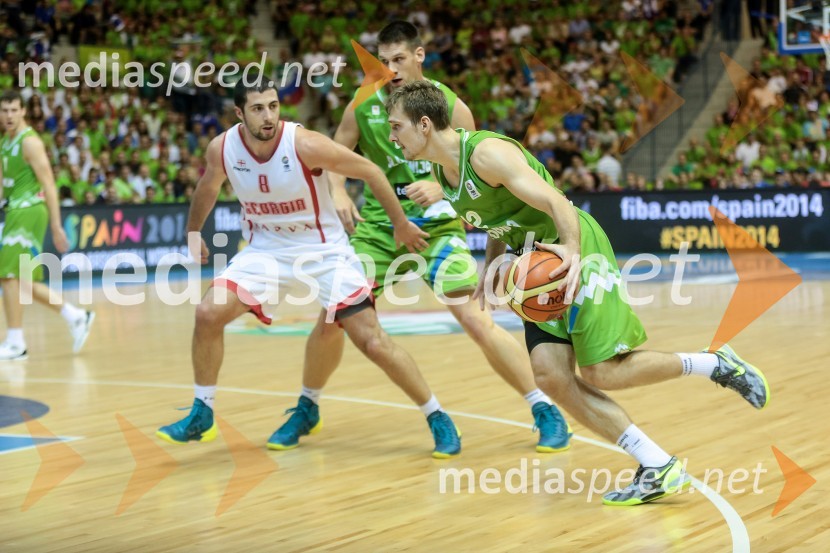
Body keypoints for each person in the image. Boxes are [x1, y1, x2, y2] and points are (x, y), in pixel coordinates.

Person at [383, 80, 771, 506]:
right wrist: (491, 266)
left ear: (424, 124)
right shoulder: (442, 169)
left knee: (604, 372)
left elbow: (555, 201)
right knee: (551, 376)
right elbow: (497, 221)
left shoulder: (486, 154)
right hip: (533, 264)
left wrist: (571, 249)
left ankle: (714, 363)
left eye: (396, 126)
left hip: (570, 250)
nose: (391, 136)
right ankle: (656, 464)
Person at [269, 21, 570, 455]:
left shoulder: (451, 105)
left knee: (474, 316)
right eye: (383, 61)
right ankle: (307, 405)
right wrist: (336, 192)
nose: (390, 70)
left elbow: (473, 169)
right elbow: (335, 155)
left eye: (398, 60)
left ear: (419, 55)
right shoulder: (364, 104)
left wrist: (442, 194)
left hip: (438, 225)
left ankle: (544, 408)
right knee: (333, 318)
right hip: (378, 228)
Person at [156, 78, 464, 458]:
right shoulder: (223, 148)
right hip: (265, 252)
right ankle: (202, 414)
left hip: (324, 252)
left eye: (272, 105)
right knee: (207, 313)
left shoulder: (305, 144)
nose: (268, 115)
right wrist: (191, 231)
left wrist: (400, 223)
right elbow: (208, 186)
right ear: (239, 113)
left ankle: (437, 415)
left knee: (371, 341)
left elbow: (371, 171)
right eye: (257, 108)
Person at [0, 90, 94, 361]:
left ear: (23, 112)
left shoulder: (30, 142)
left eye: (13, 110)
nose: (8, 115)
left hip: (28, 211)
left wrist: (56, 226)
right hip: (16, 210)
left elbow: (49, 185)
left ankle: (16, 342)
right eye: (4, 110)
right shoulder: (6, 143)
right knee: (22, 281)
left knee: (7, 275)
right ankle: (76, 316)